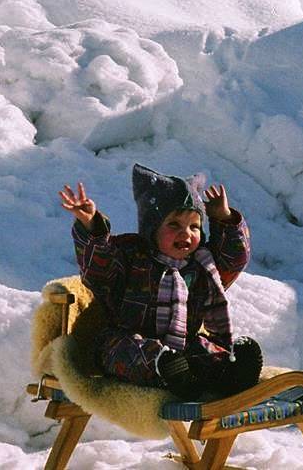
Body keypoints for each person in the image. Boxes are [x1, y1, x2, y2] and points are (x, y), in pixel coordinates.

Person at [58, 163, 262, 400]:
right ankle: (168, 371)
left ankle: (232, 373)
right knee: (124, 350)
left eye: (194, 226)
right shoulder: (132, 256)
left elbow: (234, 259)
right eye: (174, 225)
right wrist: (91, 225)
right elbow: (98, 267)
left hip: (183, 349)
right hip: (131, 342)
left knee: (204, 351)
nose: (186, 233)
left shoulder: (201, 266)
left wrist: (223, 217)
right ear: (152, 228)